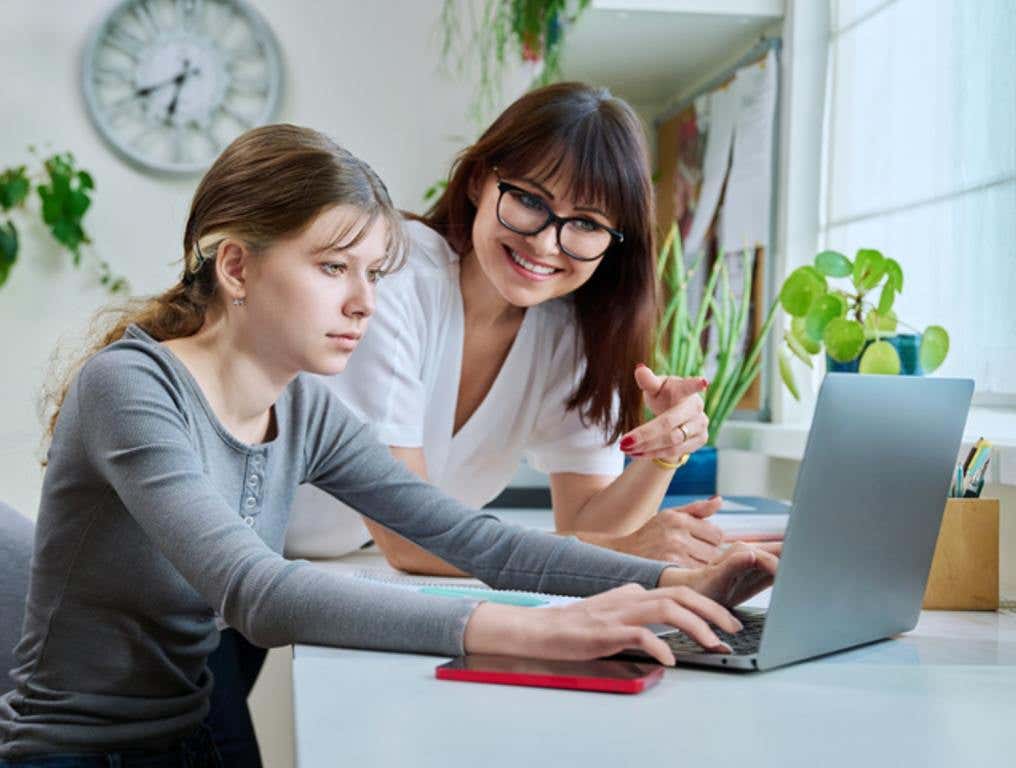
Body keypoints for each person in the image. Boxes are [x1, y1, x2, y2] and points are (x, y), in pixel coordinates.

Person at [0, 125, 777, 766]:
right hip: (70, 752)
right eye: (334, 268)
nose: (364, 302)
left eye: (373, 272)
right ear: (236, 265)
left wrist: (675, 579)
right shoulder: (130, 388)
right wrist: (530, 629)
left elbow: (474, 541)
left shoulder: (303, 408)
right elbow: (258, 593)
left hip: (188, 733)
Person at [286, 82, 727, 575]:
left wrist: (663, 455)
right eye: (530, 200)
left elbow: (593, 523)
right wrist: (621, 554)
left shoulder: (572, 335)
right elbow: (408, 538)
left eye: (585, 223)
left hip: (338, 573)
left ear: (612, 244)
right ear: (479, 181)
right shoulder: (394, 280)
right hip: (236, 561)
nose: (545, 243)